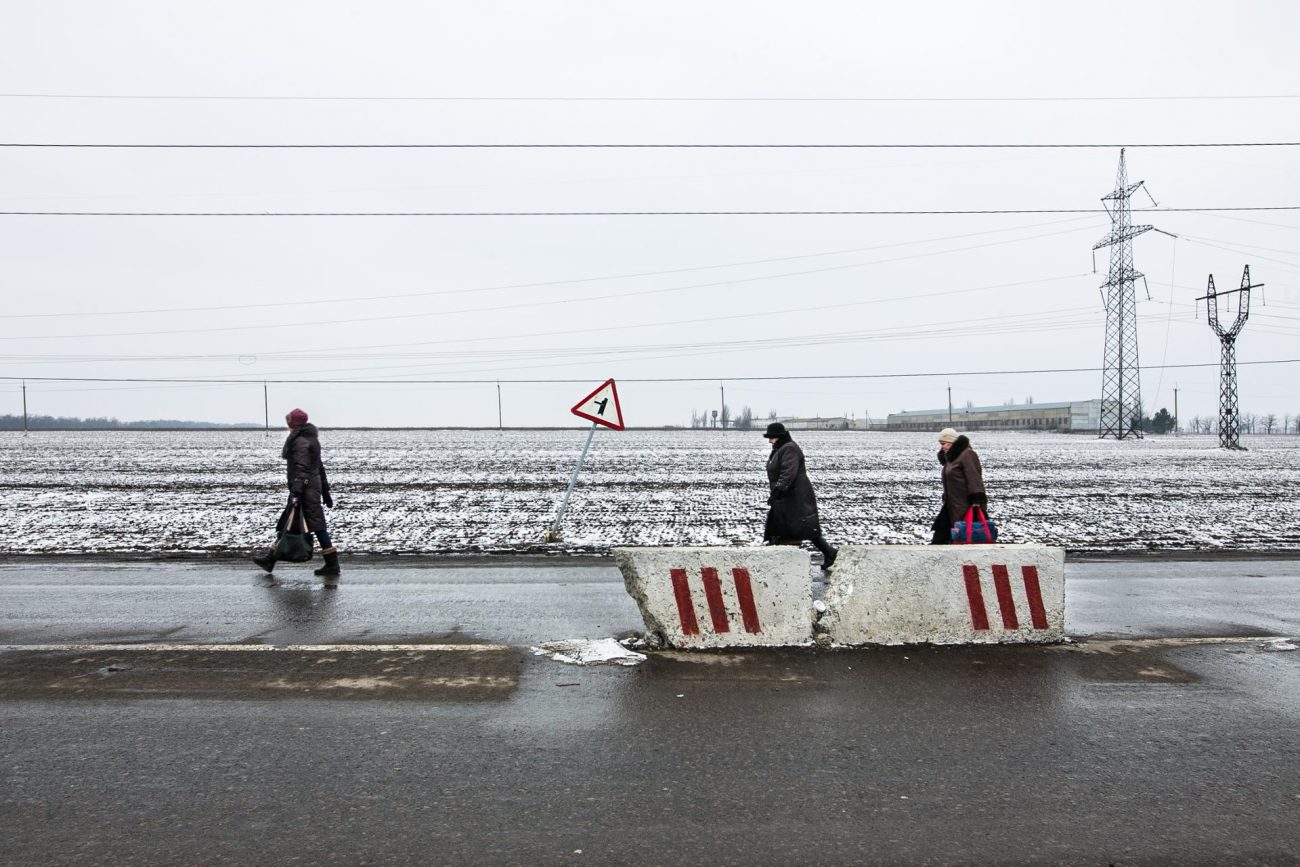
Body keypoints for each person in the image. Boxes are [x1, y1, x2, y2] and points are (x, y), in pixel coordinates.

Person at [252, 408, 340, 583]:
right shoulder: (310, 438)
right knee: (291, 522)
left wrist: (297, 493)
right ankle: (270, 559)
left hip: (304, 490)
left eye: (289, 423)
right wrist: (325, 490)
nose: (287, 426)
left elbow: (302, 469)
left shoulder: (300, 441)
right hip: (310, 488)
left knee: (312, 524)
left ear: (294, 424)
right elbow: (319, 468)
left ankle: (332, 564)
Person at [762, 422, 838, 570]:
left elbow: (787, 473)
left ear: (778, 437)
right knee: (787, 527)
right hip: (788, 496)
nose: (769, 441)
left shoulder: (789, 449)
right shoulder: (781, 448)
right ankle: (781, 559)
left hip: (795, 496)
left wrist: (778, 491)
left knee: (803, 527)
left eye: (771, 438)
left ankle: (829, 553)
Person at [931, 427, 988, 545]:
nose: (942, 447)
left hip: (965, 507)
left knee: (962, 537)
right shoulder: (951, 459)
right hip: (950, 506)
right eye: (940, 444)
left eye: (944, 443)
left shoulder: (967, 454)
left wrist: (976, 500)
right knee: (941, 539)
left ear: (952, 442)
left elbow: (974, 477)